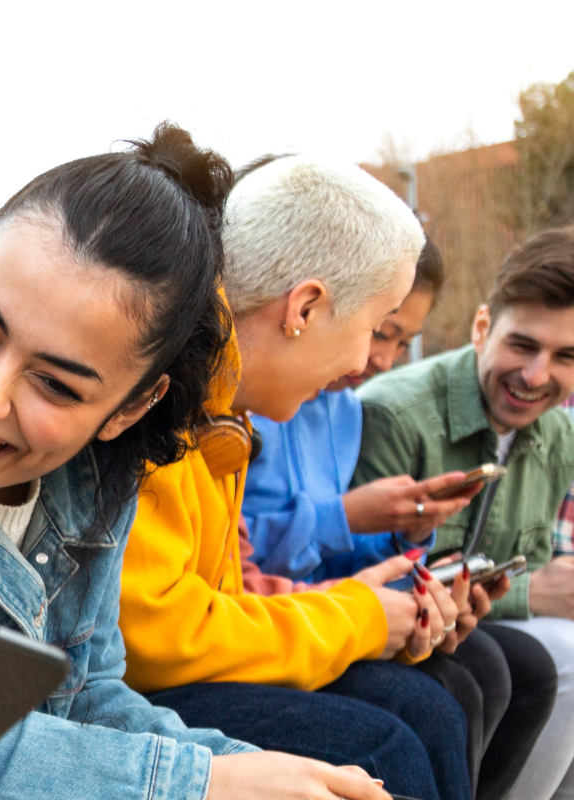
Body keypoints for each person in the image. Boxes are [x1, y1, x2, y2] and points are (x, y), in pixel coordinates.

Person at [0, 124, 398, 800]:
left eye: (56, 385)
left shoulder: (108, 457)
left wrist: (266, 771)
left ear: (131, 407)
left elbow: (87, 690)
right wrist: (205, 782)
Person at [118, 155, 470, 800]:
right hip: (129, 701)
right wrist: (357, 616)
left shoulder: (227, 407)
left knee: (433, 701)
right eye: (373, 327)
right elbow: (156, 639)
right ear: (304, 307)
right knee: (382, 743)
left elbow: (223, 596)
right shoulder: (166, 397)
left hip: (181, 677)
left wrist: (355, 601)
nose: (368, 361)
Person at [242, 237, 556, 799]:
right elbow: (240, 560)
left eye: (402, 341)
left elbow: (344, 556)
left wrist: (409, 542)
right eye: (378, 332)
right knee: (430, 706)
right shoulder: (263, 406)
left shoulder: (340, 406)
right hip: (280, 618)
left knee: (500, 667)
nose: (377, 362)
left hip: (319, 603)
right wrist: (344, 519)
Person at [356, 226, 574, 800]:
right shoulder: (394, 415)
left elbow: (536, 561)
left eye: (566, 357)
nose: (535, 376)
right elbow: (363, 565)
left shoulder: (559, 435)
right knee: (529, 667)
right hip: (397, 620)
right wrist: (531, 594)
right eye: (523, 345)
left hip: (469, 619)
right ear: (483, 328)